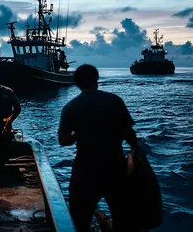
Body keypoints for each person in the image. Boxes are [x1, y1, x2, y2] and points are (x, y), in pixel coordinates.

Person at [58, 64, 138, 232]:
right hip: (115, 166)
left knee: (80, 218)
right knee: (122, 215)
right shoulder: (114, 101)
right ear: (96, 79)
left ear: (77, 83)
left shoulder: (71, 107)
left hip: (85, 169)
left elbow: (64, 141)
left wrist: (79, 133)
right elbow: (130, 135)